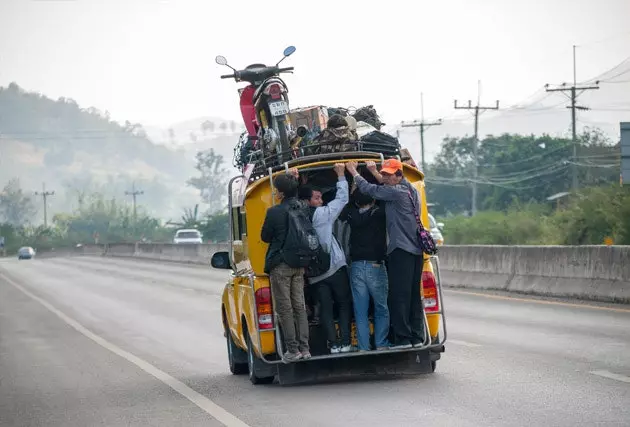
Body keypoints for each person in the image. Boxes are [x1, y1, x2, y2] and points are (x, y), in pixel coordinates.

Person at [345, 159, 425, 349]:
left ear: (400, 175)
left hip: (401, 250)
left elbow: (371, 190)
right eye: (385, 174)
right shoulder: (411, 189)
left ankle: (403, 338)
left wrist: (354, 172)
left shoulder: (395, 193)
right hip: (415, 250)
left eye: (390, 175)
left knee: (399, 295)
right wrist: (374, 171)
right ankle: (417, 336)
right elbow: (384, 185)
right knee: (413, 295)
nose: (386, 178)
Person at [298, 163, 352, 354]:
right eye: (317, 198)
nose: (321, 201)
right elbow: (342, 198)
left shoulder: (295, 216)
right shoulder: (322, 215)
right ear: (309, 201)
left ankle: (333, 343)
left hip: (314, 274)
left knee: (326, 309)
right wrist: (341, 176)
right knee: (344, 304)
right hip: (335, 268)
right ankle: (345, 341)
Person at [260, 170, 310, 361]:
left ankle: (293, 350)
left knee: (285, 308)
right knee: (299, 306)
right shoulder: (303, 207)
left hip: (281, 264)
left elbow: (265, 237)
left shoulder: (274, 212)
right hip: (299, 263)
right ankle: (305, 349)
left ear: (280, 193)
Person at [340, 188, 390, 351]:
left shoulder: (352, 215)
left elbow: (346, 208)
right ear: (374, 200)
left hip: (356, 266)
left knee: (360, 310)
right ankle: (381, 344)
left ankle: (363, 346)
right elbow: (387, 197)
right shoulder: (379, 214)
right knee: (381, 307)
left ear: (355, 202)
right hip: (375, 265)